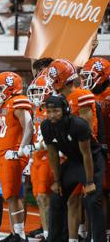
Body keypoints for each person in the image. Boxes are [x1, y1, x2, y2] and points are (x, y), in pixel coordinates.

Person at [46, 58, 99, 241]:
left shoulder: (80, 95)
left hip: (89, 153)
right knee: (63, 198)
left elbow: (88, 130)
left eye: (53, 77)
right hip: (72, 155)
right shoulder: (61, 99)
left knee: (93, 200)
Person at [41, 95, 106, 242]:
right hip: (73, 161)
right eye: (48, 111)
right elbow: (52, 154)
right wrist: (57, 181)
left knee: (92, 199)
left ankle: (98, 239)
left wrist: (89, 182)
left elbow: (87, 154)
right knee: (57, 197)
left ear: (65, 110)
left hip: (93, 160)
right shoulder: (46, 126)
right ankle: (56, 239)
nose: (51, 115)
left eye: (55, 111)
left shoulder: (79, 124)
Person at [0, 72, 33, 242]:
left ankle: (20, 234)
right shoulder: (6, 103)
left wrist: (21, 150)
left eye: (0, 88)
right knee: (10, 195)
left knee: (14, 195)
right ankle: (16, 233)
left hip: (13, 153)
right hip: (4, 153)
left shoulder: (19, 100)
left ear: (11, 87)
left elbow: (28, 126)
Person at [80, 57, 110, 239]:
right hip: (95, 148)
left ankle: (104, 232)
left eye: (90, 76)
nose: (86, 80)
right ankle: (91, 232)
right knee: (94, 193)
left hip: (105, 148)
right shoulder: (89, 95)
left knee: (103, 192)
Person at [26, 71, 54, 241]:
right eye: (34, 92)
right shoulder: (38, 109)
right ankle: (47, 233)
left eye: (39, 91)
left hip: (49, 157)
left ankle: (53, 234)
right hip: (37, 156)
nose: (36, 95)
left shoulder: (53, 109)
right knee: (39, 198)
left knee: (45, 197)